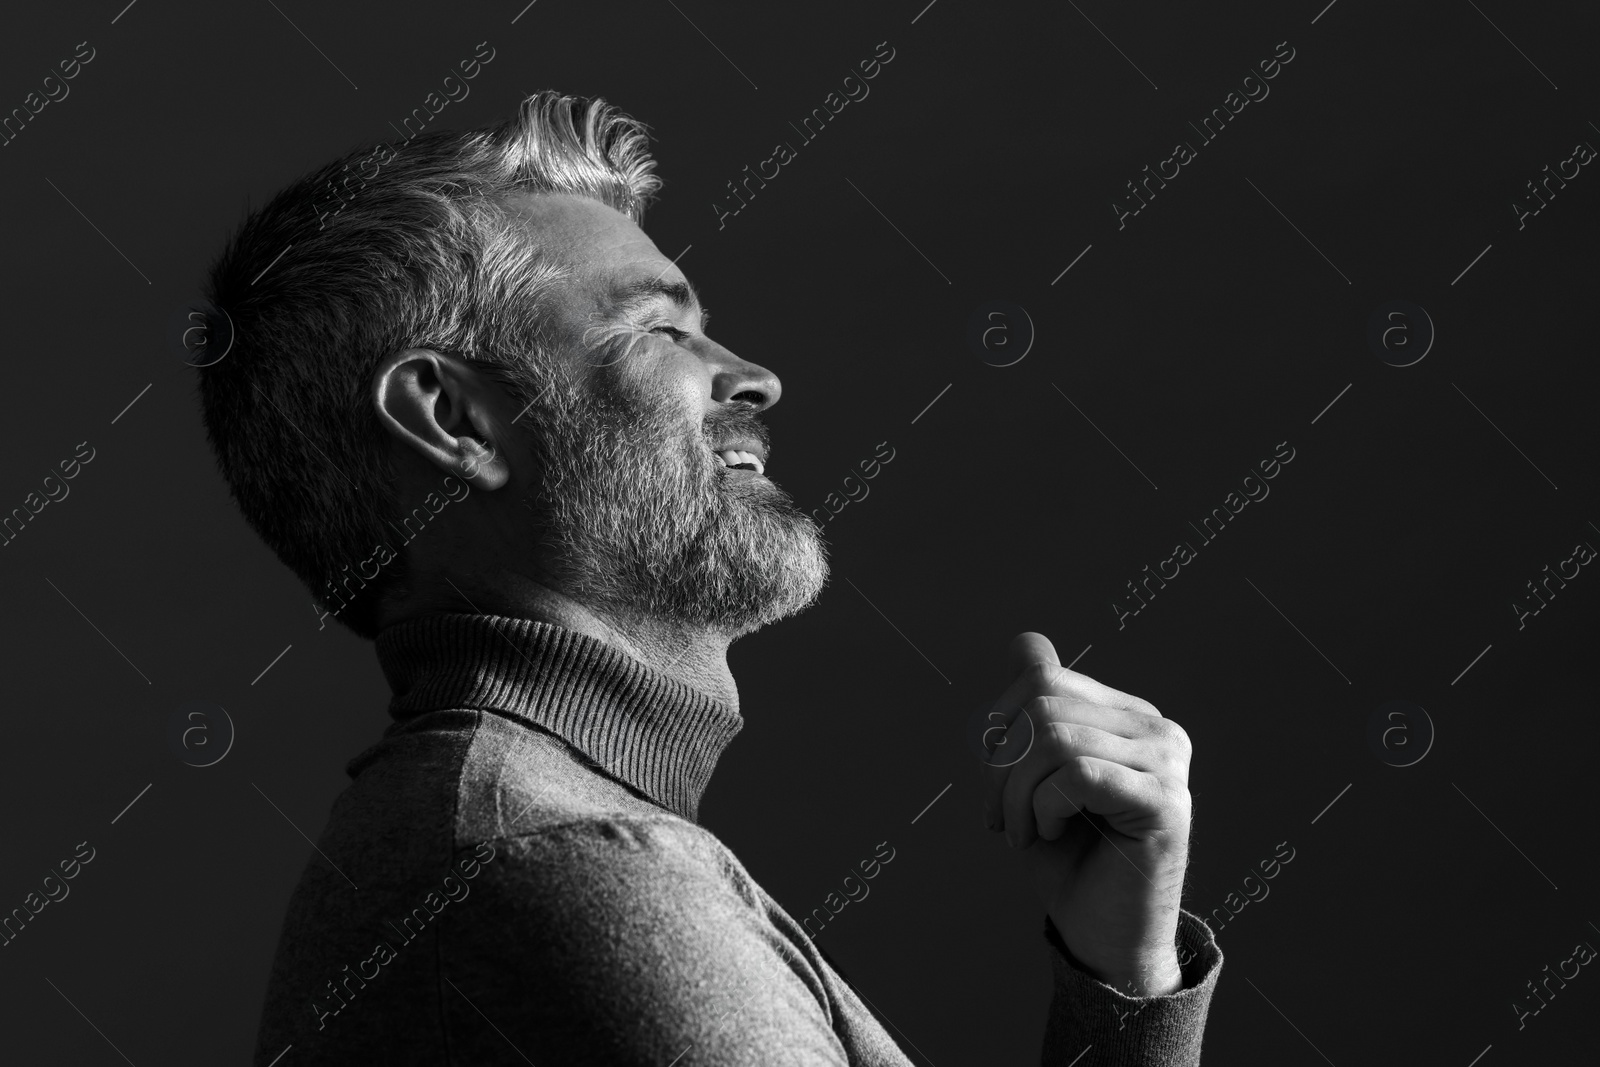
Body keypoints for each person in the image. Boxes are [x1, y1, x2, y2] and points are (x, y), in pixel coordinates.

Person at [195, 91, 1222, 1065]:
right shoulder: (574, 865)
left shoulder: (503, 836)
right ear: (454, 419)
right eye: (660, 329)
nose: (752, 376)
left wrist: (1119, 975)